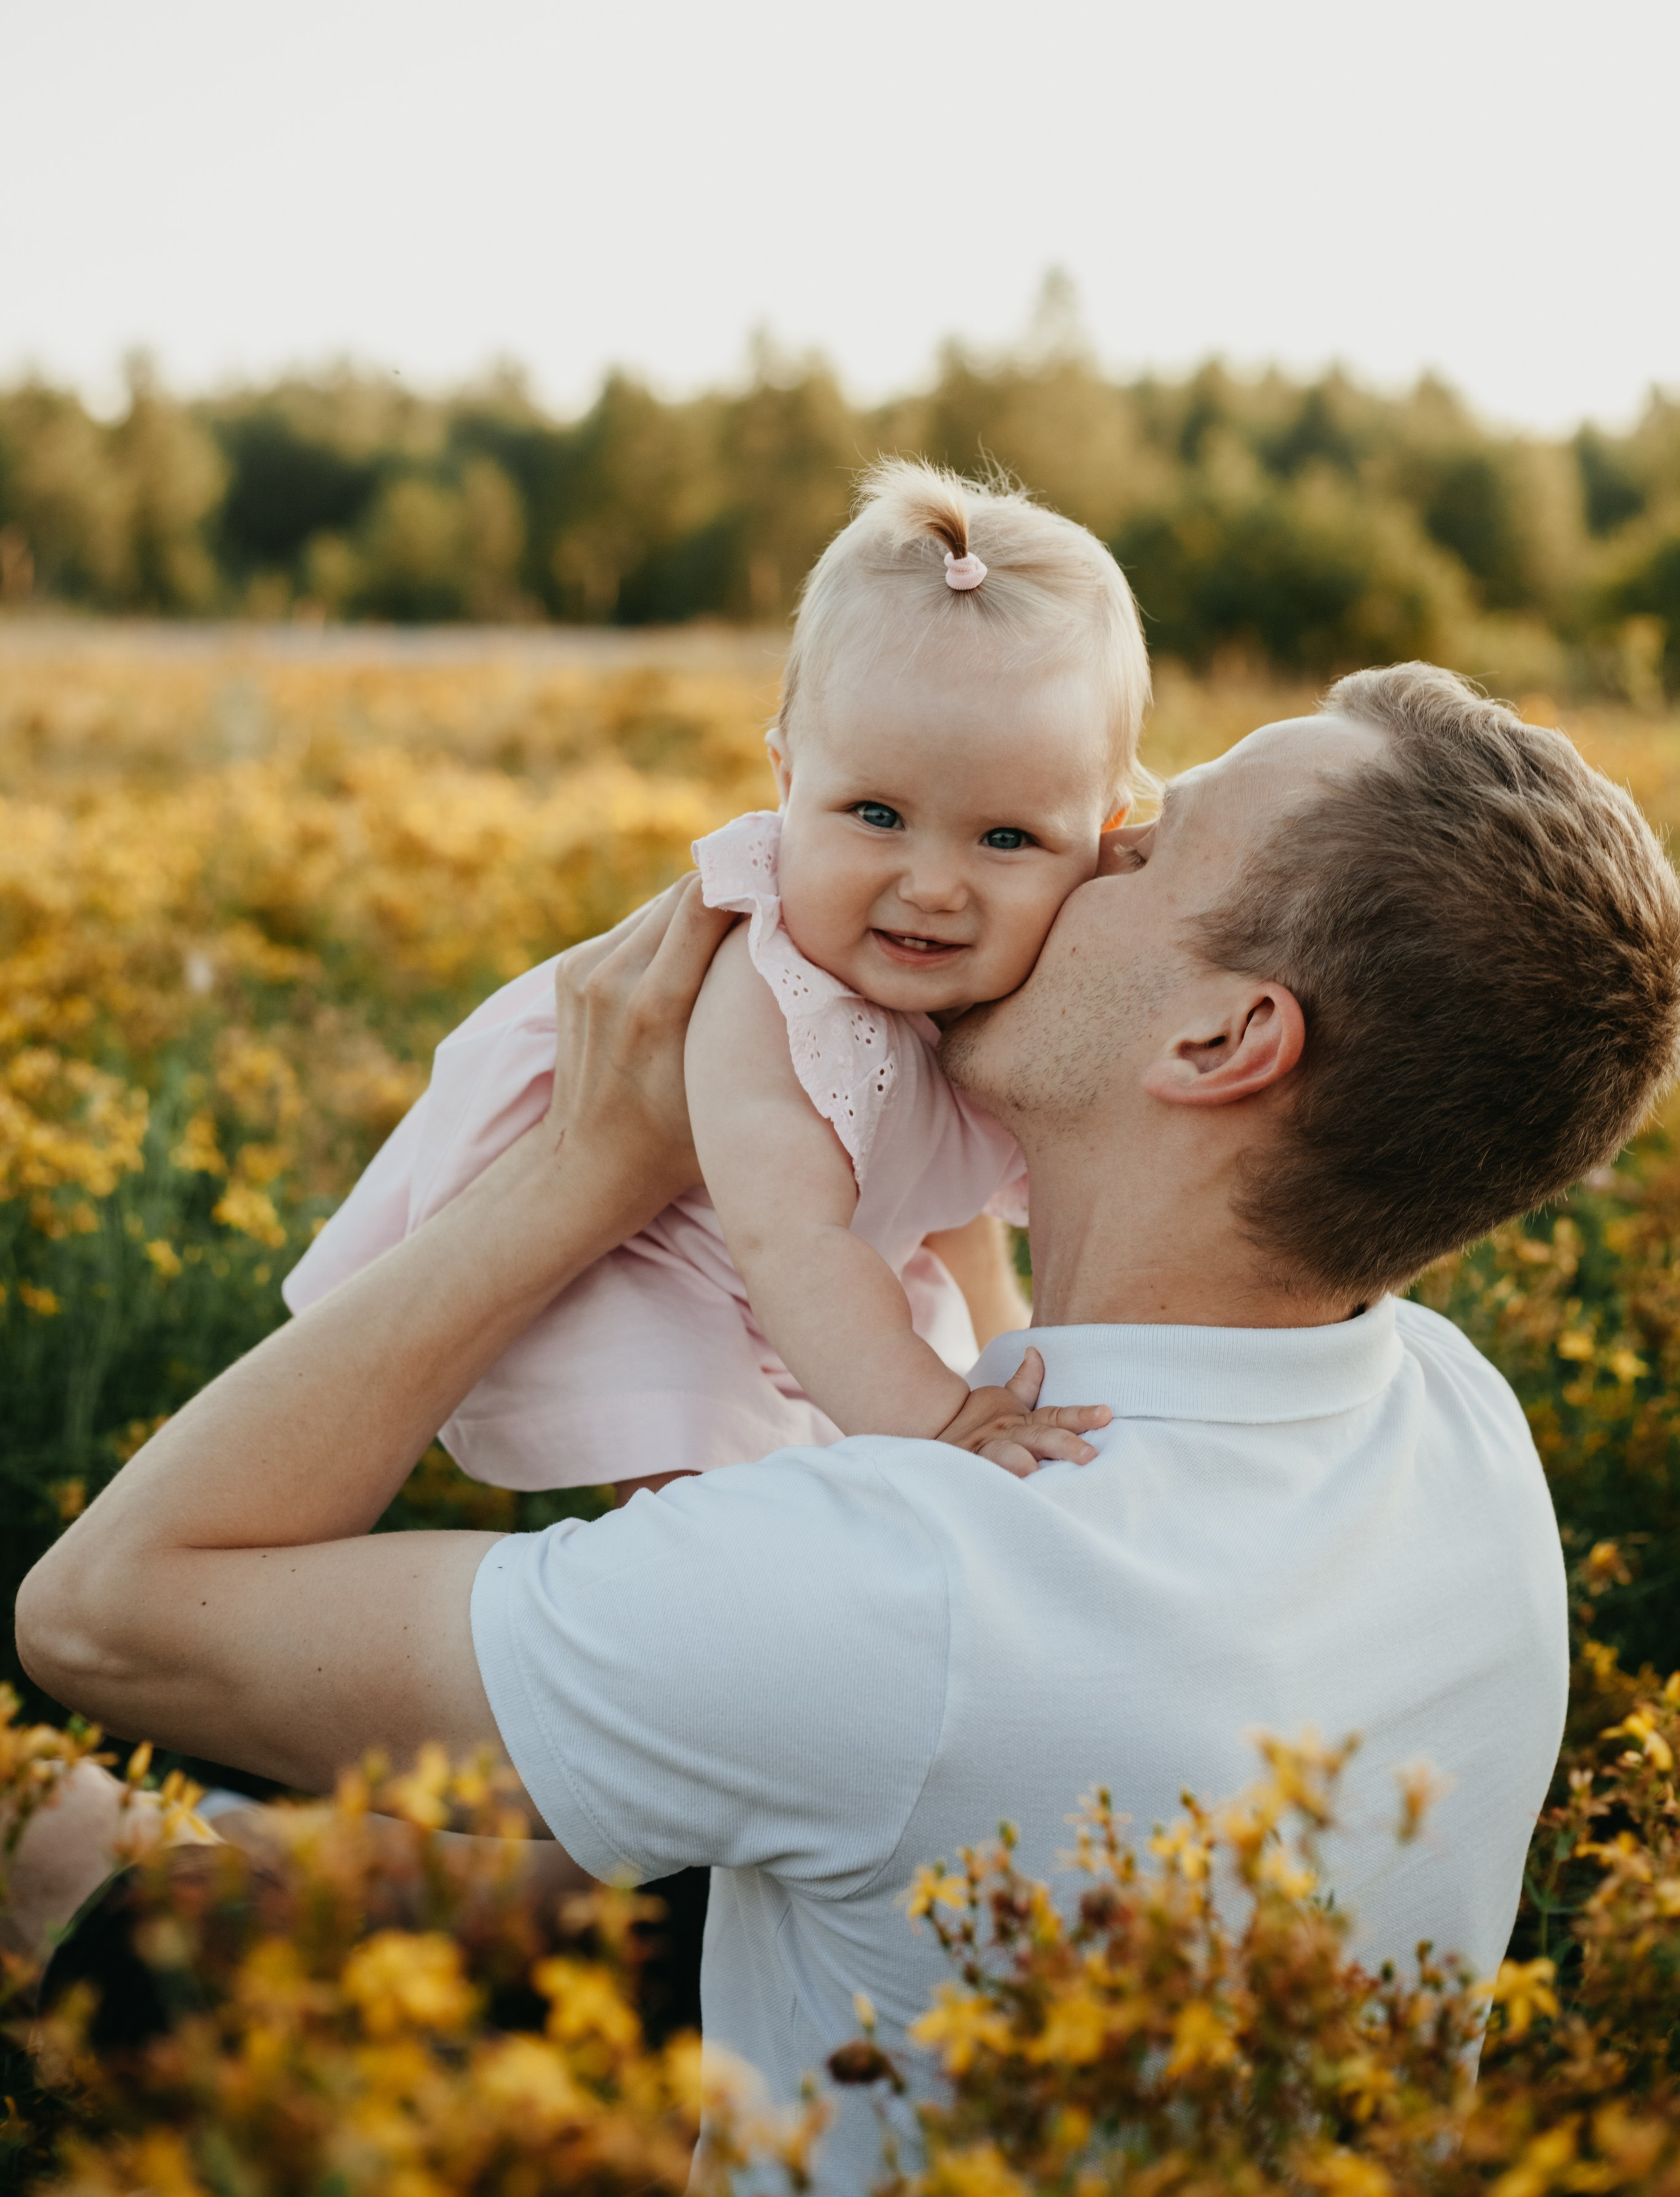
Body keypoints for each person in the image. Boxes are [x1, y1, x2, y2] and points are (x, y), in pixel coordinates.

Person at [17, 664, 1680, 2194]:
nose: (1093, 833)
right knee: (556, 1871)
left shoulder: (908, 1594)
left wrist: (590, 1164)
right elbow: (917, 1722)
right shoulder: (1453, 1413)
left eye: (1151, 845)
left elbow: (105, 1614)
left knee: (36, 1840)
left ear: (1225, 1039)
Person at [285, 459, 1150, 1492]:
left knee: (879, 1421)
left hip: (843, 1272)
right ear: (787, 780)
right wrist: (947, 1418)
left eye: (1006, 837)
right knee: (716, 1500)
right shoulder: (770, 985)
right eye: (875, 815)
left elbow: (987, 1178)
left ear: (1102, 839)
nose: (931, 887)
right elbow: (792, 1247)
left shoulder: (1041, 961)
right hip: (655, 1266)